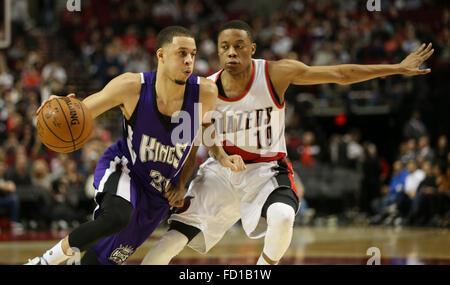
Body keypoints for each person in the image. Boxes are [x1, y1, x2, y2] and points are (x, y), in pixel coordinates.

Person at [141, 20, 434, 265]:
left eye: (239, 46)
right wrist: (181, 181)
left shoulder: (274, 73)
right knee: (176, 235)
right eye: (225, 47)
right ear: (218, 51)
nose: (231, 52)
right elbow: (196, 139)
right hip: (221, 170)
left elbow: (341, 74)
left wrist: (397, 68)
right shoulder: (206, 88)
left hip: (266, 170)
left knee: (282, 218)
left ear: (252, 49)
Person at [25, 26, 244, 265]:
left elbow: (201, 136)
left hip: (158, 194)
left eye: (193, 54)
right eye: (181, 53)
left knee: (100, 262)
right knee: (117, 217)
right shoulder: (131, 87)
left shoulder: (205, 93)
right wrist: (58, 108)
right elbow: (82, 111)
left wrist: (190, 178)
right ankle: (43, 262)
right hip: (126, 170)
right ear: (161, 55)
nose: (189, 60)